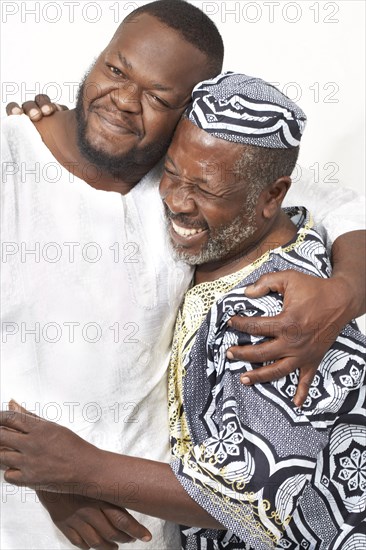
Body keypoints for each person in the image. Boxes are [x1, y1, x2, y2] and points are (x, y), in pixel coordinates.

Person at [1, 0, 365, 547]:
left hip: (156, 531)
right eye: (116, 69)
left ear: (185, 116)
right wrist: (43, 469)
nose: (123, 101)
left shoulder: (191, 176)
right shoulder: (13, 159)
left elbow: (344, 207)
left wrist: (345, 292)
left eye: (158, 97)